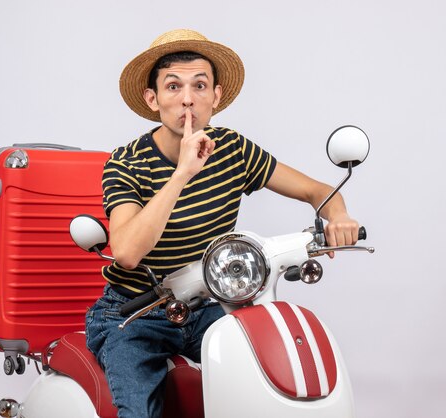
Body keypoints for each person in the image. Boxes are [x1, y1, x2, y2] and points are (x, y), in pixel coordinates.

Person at [85, 28, 360, 418]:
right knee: (138, 411)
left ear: (215, 97)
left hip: (205, 304)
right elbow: (127, 252)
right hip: (134, 313)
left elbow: (317, 191)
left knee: (262, 375)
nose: (187, 99)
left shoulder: (232, 148)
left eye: (200, 85)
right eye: (173, 86)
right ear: (153, 98)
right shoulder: (127, 163)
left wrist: (338, 215)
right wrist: (182, 172)